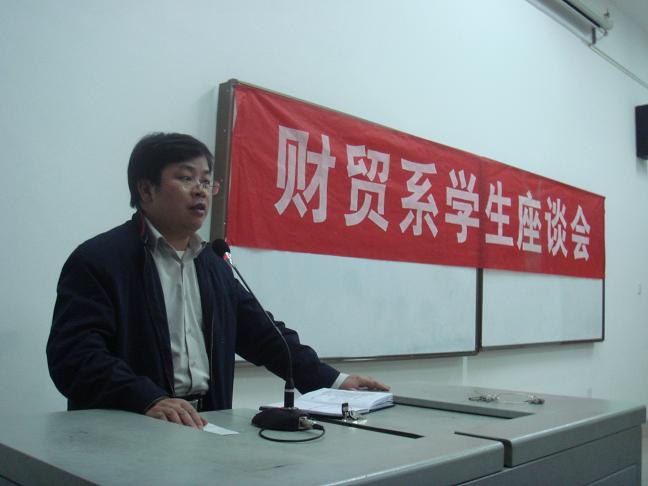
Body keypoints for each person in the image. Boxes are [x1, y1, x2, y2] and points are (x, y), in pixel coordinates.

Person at [47, 132, 388, 429]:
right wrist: (146, 398)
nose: (201, 191)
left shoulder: (212, 263)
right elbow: (74, 357)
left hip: (205, 423)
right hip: (130, 426)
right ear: (146, 190)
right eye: (186, 178)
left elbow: (265, 336)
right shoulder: (101, 259)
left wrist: (333, 381)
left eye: (207, 181)